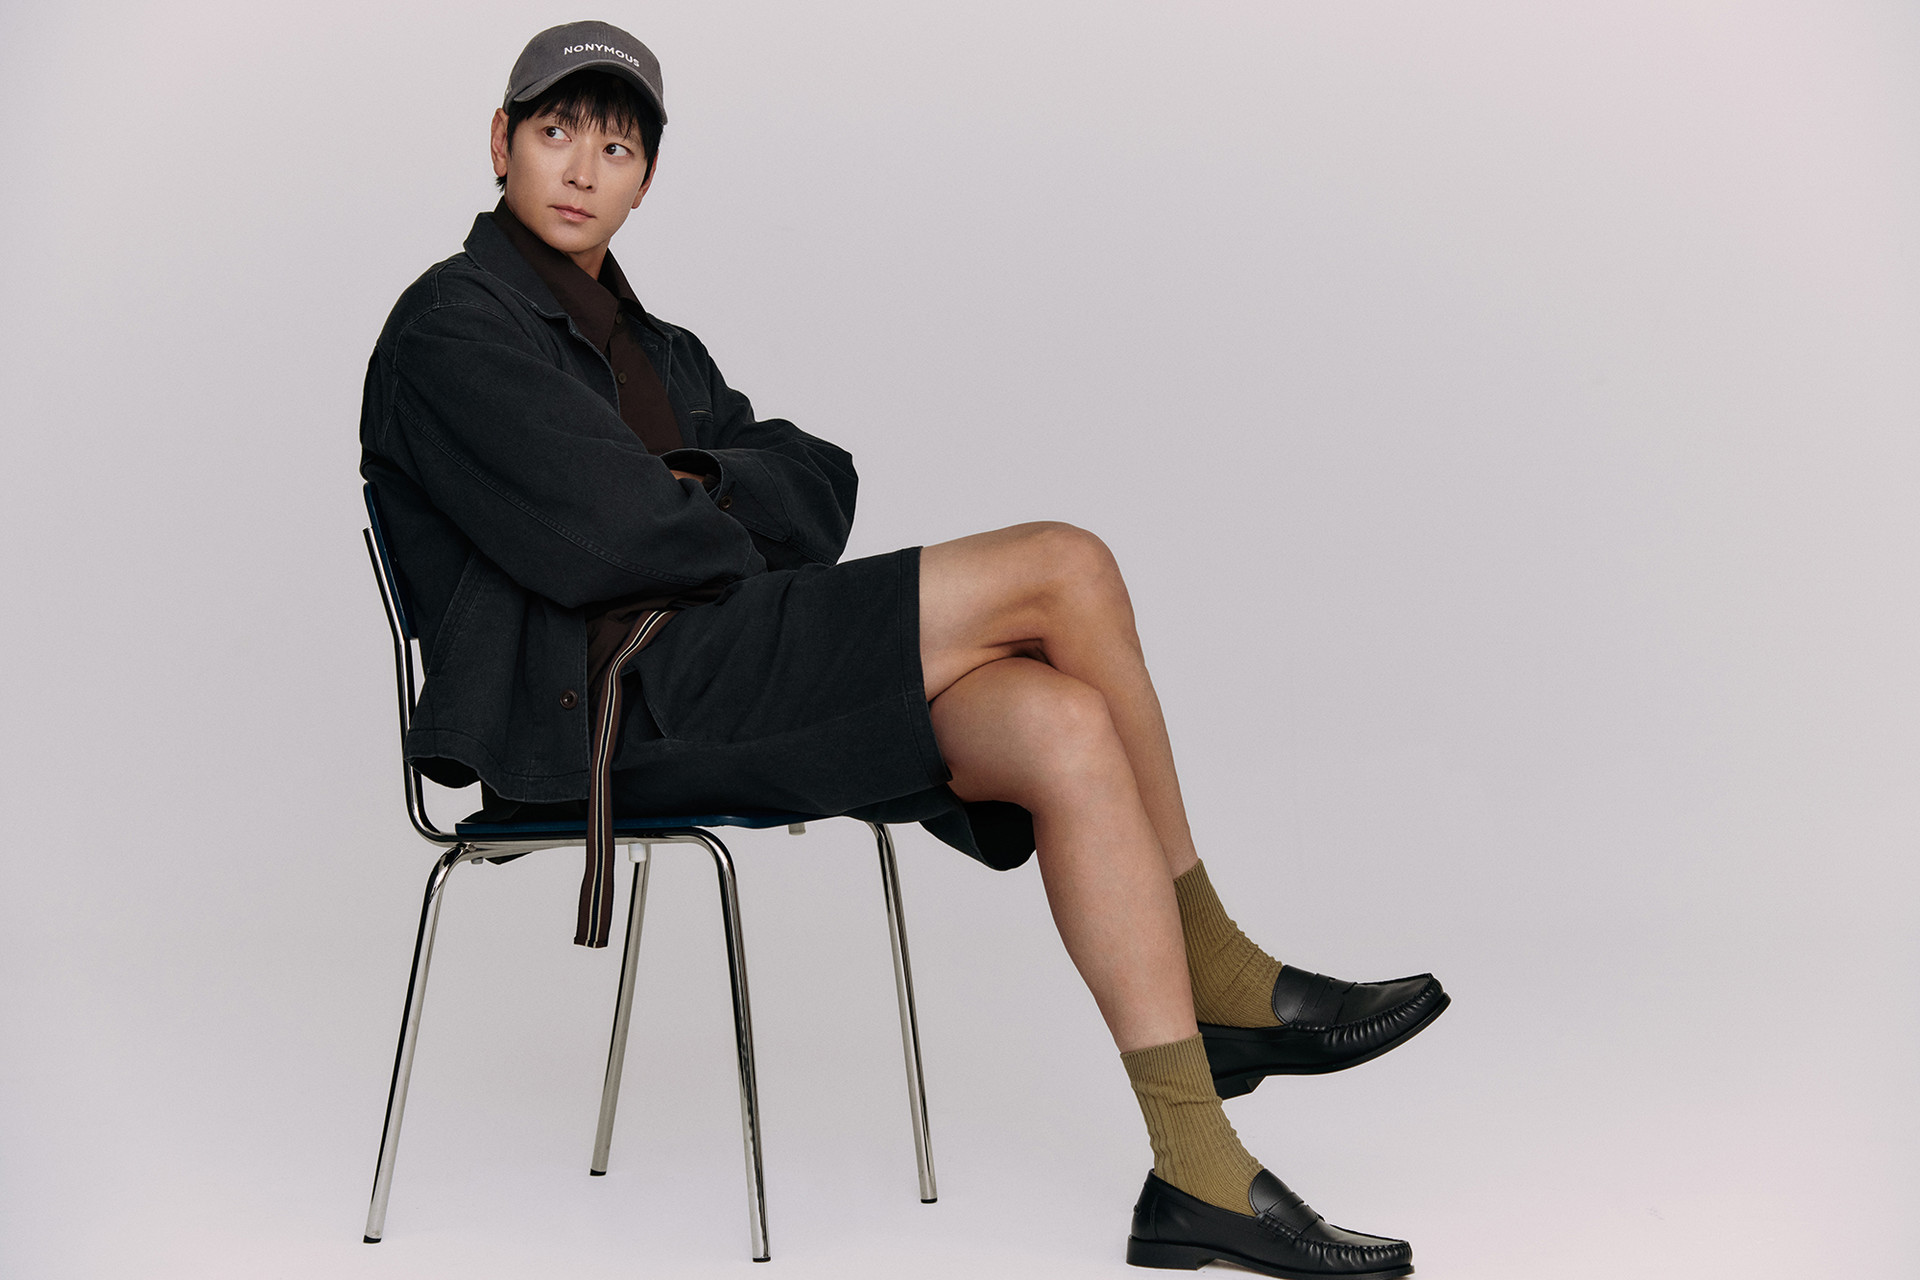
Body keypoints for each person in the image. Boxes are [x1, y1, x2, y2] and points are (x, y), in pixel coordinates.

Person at [358, 22, 1449, 1278]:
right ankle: (1216, 968)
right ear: (501, 142)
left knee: (1061, 722)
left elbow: (820, 484)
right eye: (555, 132)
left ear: (647, 179)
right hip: (607, 711)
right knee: (1067, 565)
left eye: (616, 147)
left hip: (717, 674)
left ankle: (1192, 1170)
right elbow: (612, 538)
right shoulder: (453, 327)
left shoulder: (658, 352)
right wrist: (703, 509)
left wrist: (694, 489)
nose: (580, 169)